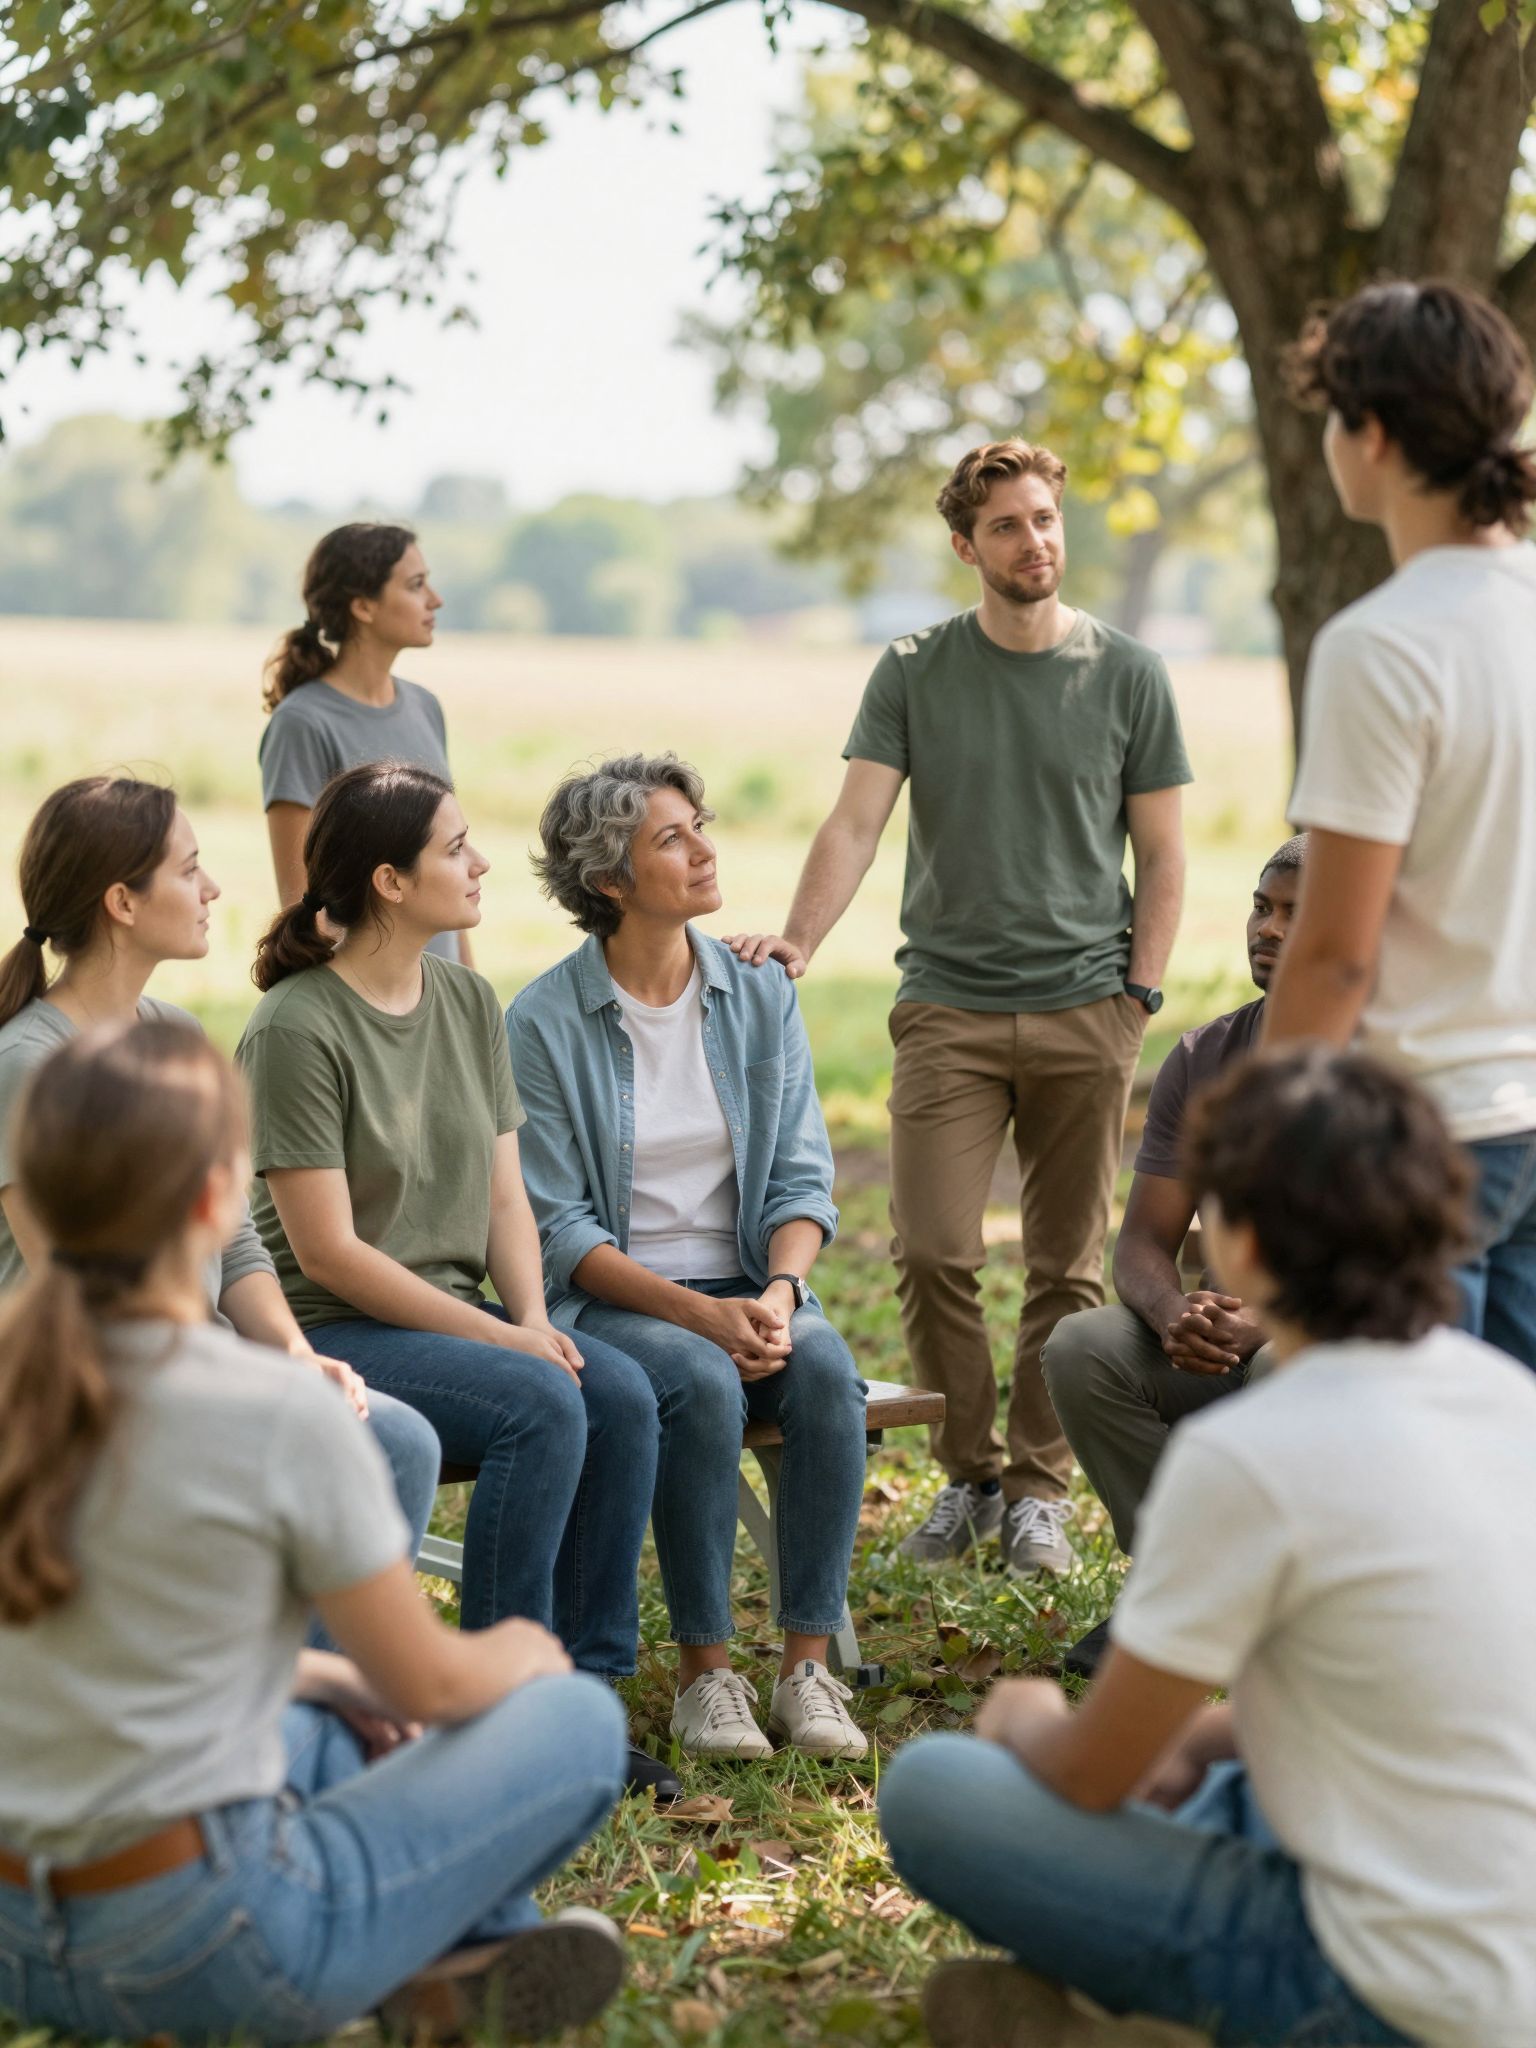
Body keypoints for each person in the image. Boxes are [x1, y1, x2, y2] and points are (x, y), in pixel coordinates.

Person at [882, 1046, 1536, 2048]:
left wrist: (1020, 1716)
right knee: (1217, 1777)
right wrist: (1200, 1737)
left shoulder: (1251, 1451)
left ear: (1239, 1241)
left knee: (935, 1788)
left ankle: (1134, 2027)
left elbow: (1091, 1775)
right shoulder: (1506, 1398)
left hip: (1386, 1991)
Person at [0, 1019, 627, 2043]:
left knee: (336, 1720)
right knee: (577, 1721)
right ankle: (433, 1958)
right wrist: (525, 1653)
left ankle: (462, 1962)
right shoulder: (275, 1409)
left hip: (17, 1940)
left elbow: (108, 1652)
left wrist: (331, 1678)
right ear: (214, 1200)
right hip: (204, 1948)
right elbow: (430, 1685)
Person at [727, 440, 1191, 1577]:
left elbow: (1165, 851)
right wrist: (799, 938)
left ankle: (1036, 1487)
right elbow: (854, 824)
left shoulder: (1129, 671)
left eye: (1045, 518)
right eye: (1007, 526)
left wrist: (1138, 996)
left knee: (1067, 1267)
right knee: (934, 1250)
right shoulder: (914, 669)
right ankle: (971, 1473)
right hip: (947, 1004)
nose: (1034, 541)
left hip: (1091, 1004)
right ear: (964, 546)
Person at [234, 760, 670, 1800]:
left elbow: (505, 1200)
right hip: (329, 1324)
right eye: (456, 848)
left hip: (452, 1313)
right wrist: (504, 1345)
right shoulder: (296, 1026)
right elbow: (328, 1251)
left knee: (615, 1389)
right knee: (536, 1400)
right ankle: (485, 1716)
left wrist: (527, 1315)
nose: (480, 863)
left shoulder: (470, 999)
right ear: (390, 880)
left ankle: (585, 1694)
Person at [507, 754, 870, 1761]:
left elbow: (803, 1178)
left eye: (700, 824)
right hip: (620, 1301)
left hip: (756, 1286)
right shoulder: (540, 1021)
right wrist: (699, 1314)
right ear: (608, 879)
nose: (707, 846)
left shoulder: (758, 991)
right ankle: (705, 1677)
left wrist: (781, 1295)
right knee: (703, 1379)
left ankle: (807, 1667)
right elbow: (561, 1230)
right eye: (673, 836)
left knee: (830, 1369)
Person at [0, 775, 440, 1566]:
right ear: (122, 903)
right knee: (367, 1449)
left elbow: (236, 1242)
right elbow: (76, 1291)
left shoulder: (174, 1031)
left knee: (397, 1438)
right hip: (91, 1394)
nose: (212, 886)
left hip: (196, 1367)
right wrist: (234, 1384)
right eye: (187, 868)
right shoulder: (28, 1066)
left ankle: (315, 1682)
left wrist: (293, 1356)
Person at [1268, 279, 1536, 1369]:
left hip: (1421, 1140)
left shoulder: (1382, 645)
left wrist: (1264, 1142)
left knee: (1411, 1488)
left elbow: (1332, 954)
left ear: (1370, 434)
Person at [1042, 835, 1306, 1674]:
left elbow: (1404, 1263)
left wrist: (1268, 1323)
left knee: (1284, 1374)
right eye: (1263, 907)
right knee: (1083, 1347)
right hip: (1212, 1336)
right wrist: (1172, 1311)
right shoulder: (1204, 1058)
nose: (1267, 928)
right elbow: (1147, 1240)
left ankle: (1265, 1606)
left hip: (1323, 1344)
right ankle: (1185, 1584)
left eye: (1298, 915)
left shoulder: (1390, 1064)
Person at [260, 521, 470, 966]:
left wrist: (469, 989)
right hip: (364, 1000)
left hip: (438, 991)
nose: (436, 599)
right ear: (363, 606)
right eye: (416, 585)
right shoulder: (302, 722)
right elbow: (301, 903)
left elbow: (451, 859)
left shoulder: (425, 706)